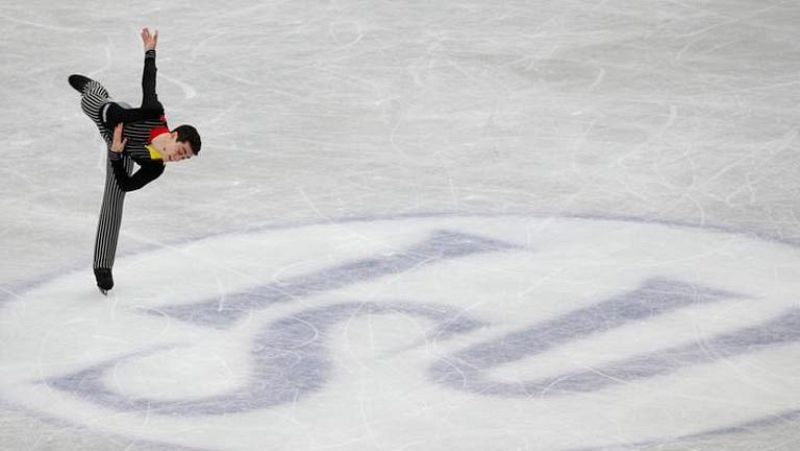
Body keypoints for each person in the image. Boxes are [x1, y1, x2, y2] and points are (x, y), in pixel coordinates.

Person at [69, 28, 202, 295]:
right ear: (174, 135)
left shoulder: (156, 166)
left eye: (183, 158)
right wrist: (150, 51)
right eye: (180, 150)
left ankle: (102, 267)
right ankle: (93, 87)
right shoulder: (155, 114)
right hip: (118, 117)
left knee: (114, 196)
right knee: (95, 104)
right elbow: (148, 84)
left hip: (121, 149)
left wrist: (117, 153)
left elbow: (127, 184)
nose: (177, 158)